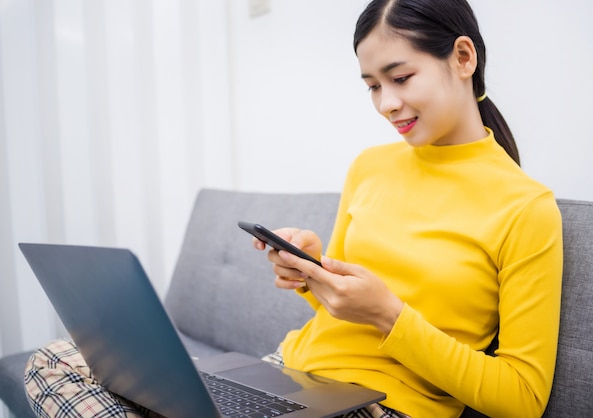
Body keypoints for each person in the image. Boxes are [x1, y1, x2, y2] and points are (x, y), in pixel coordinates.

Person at [24, 0, 562, 417]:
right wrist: (311, 274)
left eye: (400, 78)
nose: (387, 104)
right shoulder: (371, 166)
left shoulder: (524, 207)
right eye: (372, 86)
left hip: (383, 406)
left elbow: (521, 397)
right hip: (288, 374)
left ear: (462, 57)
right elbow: (339, 308)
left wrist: (390, 316)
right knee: (54, 362)